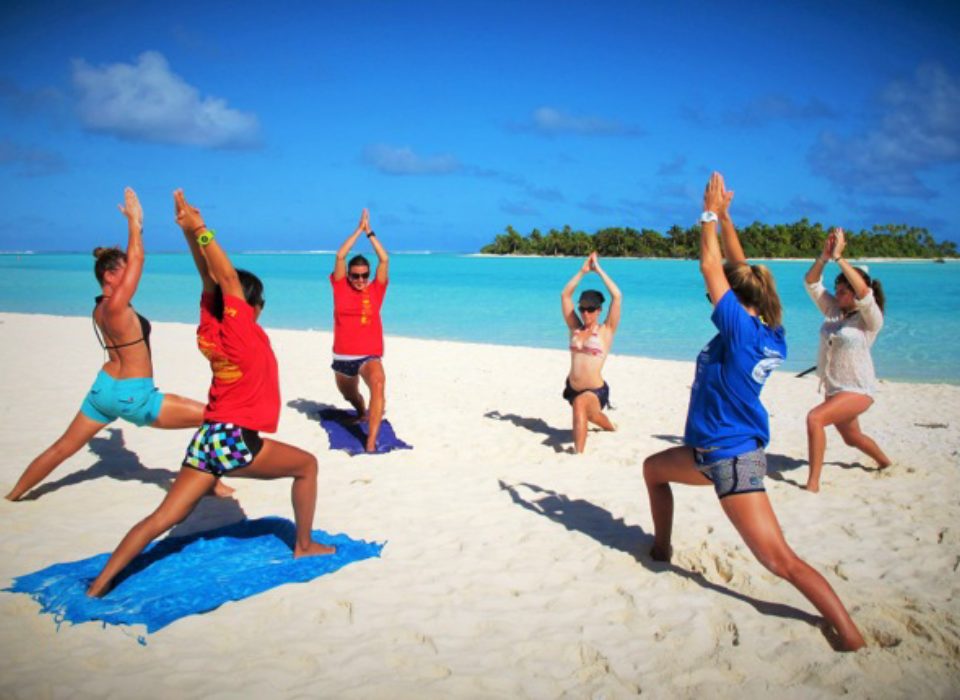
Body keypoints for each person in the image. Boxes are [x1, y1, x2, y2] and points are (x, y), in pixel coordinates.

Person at [642, 172, 865, 651]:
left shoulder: (740, 333)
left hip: (732, 459)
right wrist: (727, 219)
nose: (712, 301)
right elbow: (739, 272)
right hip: (706, 452)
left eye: (718, 299)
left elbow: (711, 268)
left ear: (737, 305)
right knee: (653, 470)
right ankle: (661, 549)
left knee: (780, 560)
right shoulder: (768, 330)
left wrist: (705, 214)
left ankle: (850, 635)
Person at [87, 190, 334, 597]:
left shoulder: (210, 326)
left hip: (207, 438)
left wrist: (187, 232)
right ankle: (304, 546)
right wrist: (200, 229)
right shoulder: (240, 328)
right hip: (233, 440)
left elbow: (210, 280)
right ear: (252, 305)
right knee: (306, 466)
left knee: (162, 517)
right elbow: (226, 279)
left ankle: (99, 585)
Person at [5, 187, 231, 501]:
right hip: (134, 396)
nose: (131, 277)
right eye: (124, 271)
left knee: (62, 448)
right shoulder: (115, 306)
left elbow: (132, 263)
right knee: (215, 419)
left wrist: (114, 440)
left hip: (103, 390)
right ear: (110, 276)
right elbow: (138, 256)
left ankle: (14, 494)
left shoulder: (99, 308)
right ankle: (212, 483)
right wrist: (135, 224)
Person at [803, 227, 890, 492]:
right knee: (852, 438)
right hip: (834, 390)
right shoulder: (833, 311)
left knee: (814, 419)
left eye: (843, 290)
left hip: (858, 390)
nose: (838, 294)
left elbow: (865, 295)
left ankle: (813, 483)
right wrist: (825, 256)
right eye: (838, 289)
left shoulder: (869, 319)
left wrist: (841, 258)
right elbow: (811, 283)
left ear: (854, 293)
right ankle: (886, 463)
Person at [330, 208, 389, 453]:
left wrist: (370, 233)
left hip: (368, 356)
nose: (361, 280)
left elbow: (384, 260)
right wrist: (357, 230)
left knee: (378, 382)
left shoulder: (376, 290)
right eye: (356, 276)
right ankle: (361, 412)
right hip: (343, 358)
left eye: (365, 275)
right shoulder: (340, 287)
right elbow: (341, 256)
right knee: (351, 397)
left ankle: (371, 441)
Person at [560, 252, 622, 453]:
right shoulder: (575, 328)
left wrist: (599, 270)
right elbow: (565, 295)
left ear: (599, 310)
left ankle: (578, 455)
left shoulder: (606, 331)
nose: (585, 313)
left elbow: (617, 296)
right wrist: (583, 271)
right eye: (583, 309)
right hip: (572, 388)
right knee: (592, 416)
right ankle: (611, 426)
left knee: (580, 406)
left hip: (595, 390)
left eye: (590, 309)